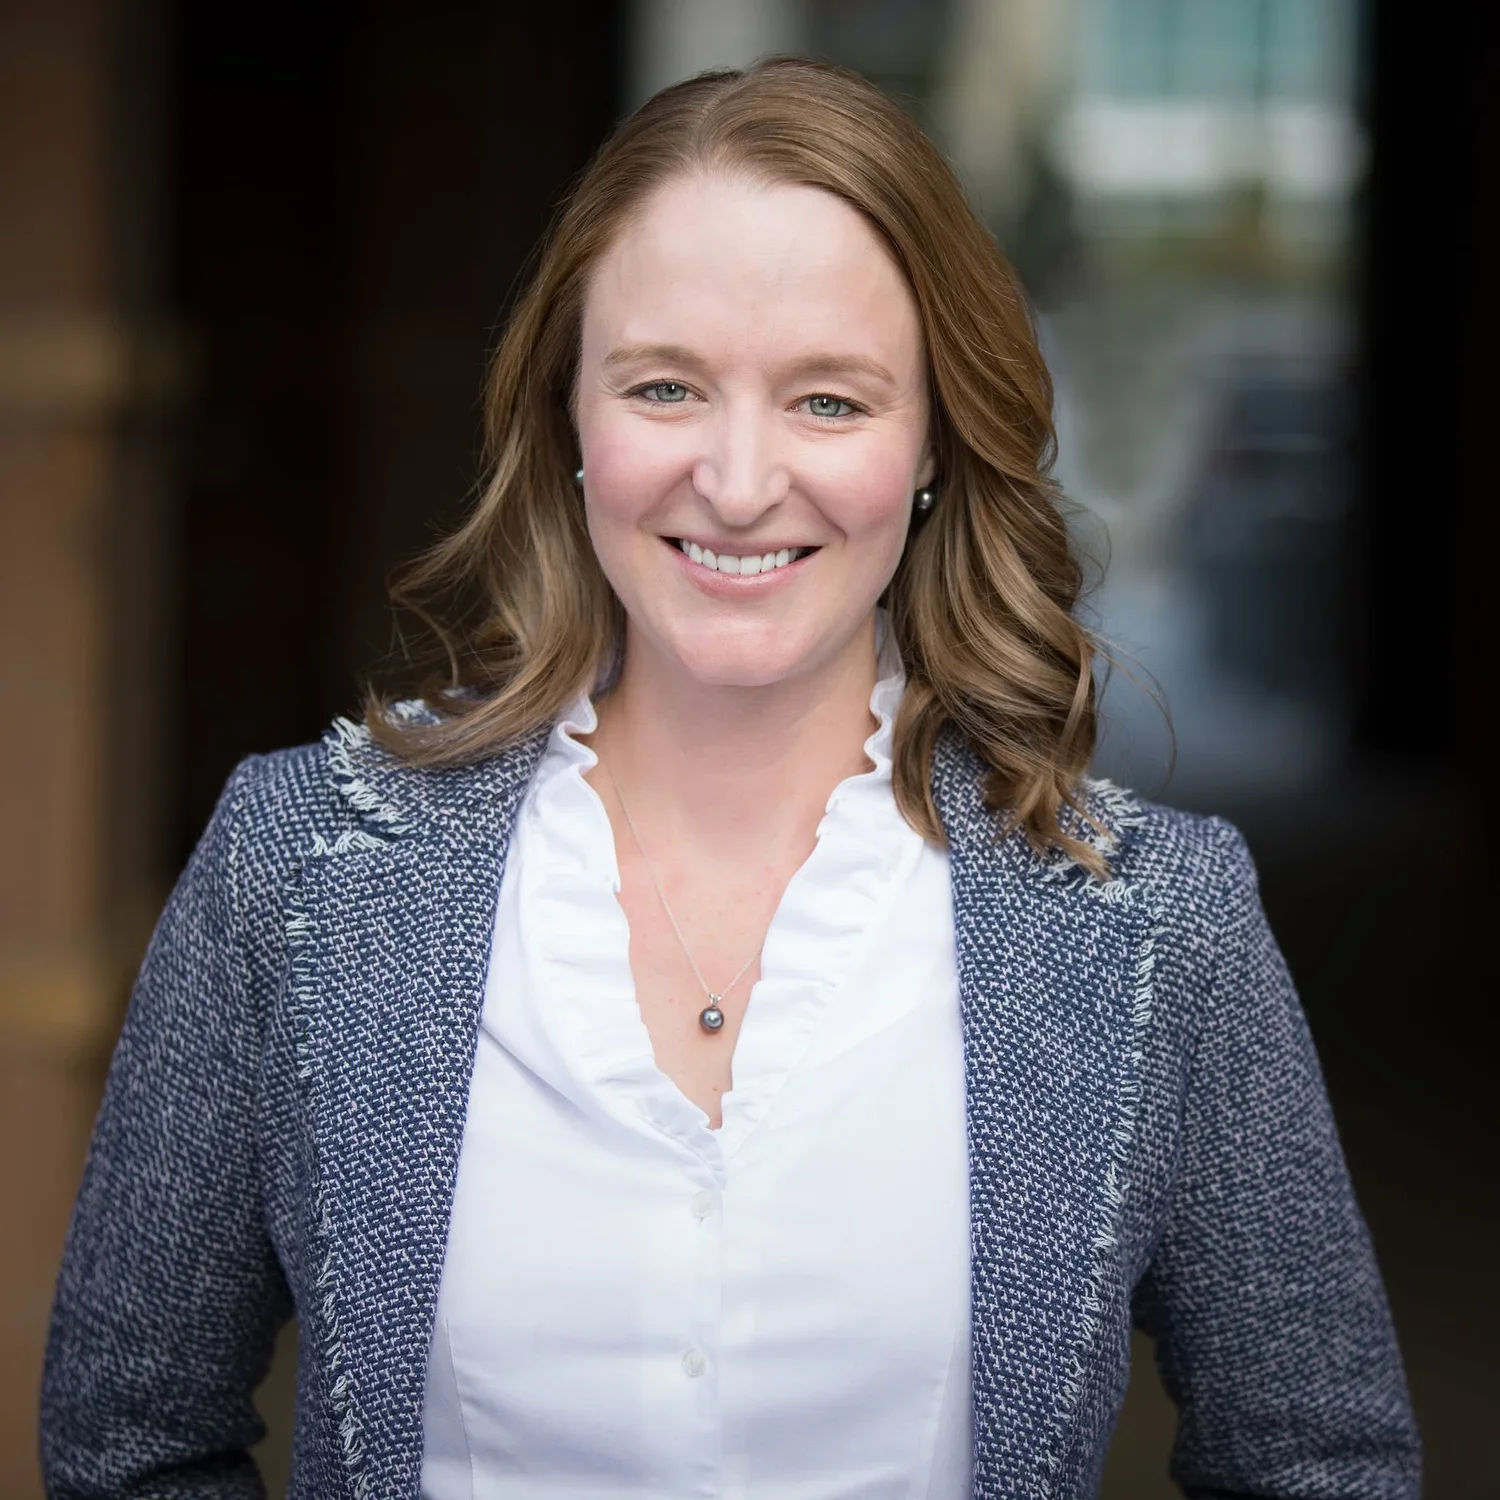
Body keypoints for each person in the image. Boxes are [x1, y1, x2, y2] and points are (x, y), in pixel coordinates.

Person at [41, 57, 1418, 1500]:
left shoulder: (1154, 927)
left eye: (830, 400)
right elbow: (131, 1441)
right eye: (665, 386)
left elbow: (1318, 1465)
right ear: (567, 418)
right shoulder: (300, 868)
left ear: (936, 438)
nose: (743, 479)